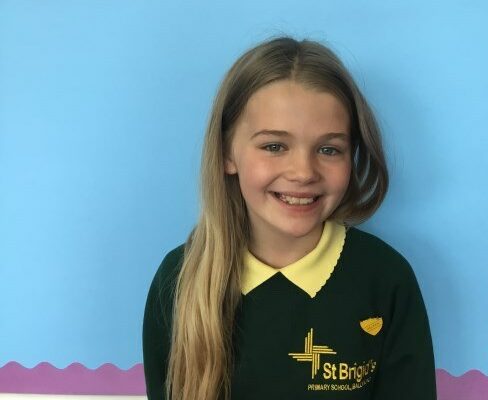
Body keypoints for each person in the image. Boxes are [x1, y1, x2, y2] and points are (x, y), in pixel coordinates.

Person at [142, 36, 436, 400]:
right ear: (227, 154)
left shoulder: (386, 278)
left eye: (329, 149)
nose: (303, 172)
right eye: (274, 146)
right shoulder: (178, 280)